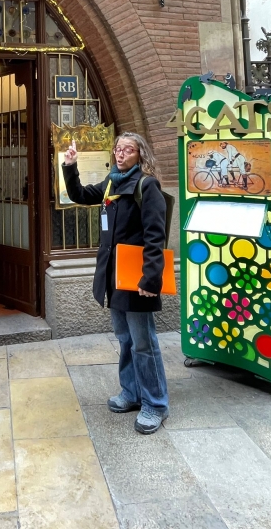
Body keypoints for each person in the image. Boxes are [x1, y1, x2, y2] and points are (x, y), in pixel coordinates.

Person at [62, 132, 169, 434]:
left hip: (137, 278)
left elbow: (155, 236)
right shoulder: (112, 183)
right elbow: (80, 194)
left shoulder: (147, 186)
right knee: (125, 339)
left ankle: (155, 404)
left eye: (128, 150)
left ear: (140, 155)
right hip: (114, 276)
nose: (120, 154)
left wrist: (150, 279)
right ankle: (131, 393)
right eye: (118, 149)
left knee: (144, 343)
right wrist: (70, 165)